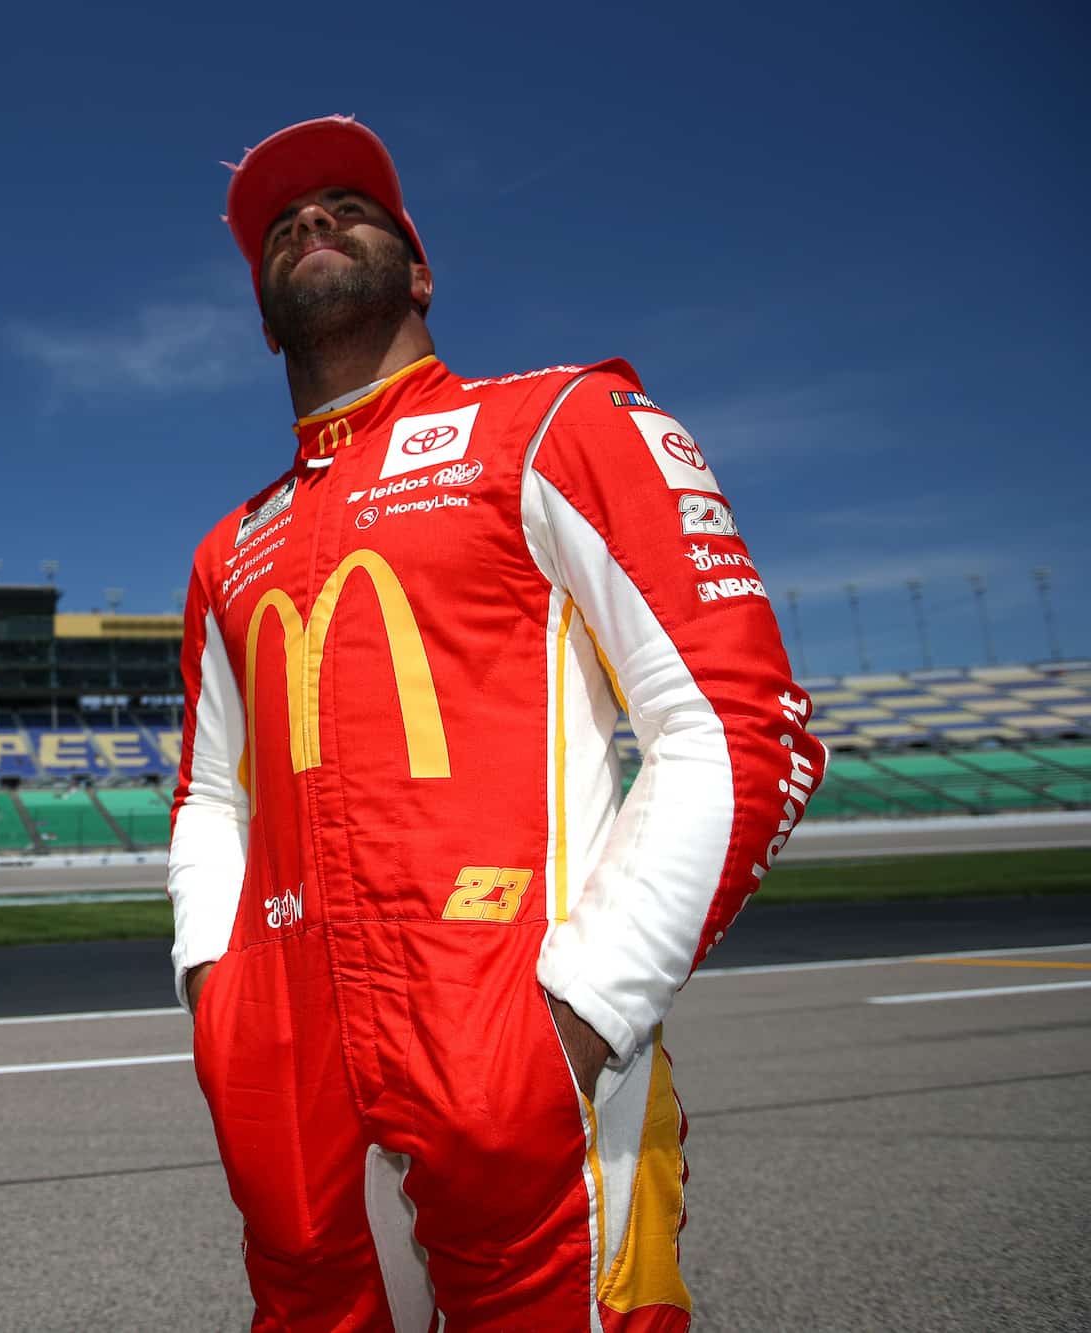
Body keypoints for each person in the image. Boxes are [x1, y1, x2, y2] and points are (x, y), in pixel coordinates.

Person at [168, 116, 826, 1332]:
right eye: (280, 224)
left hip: (509, 1053)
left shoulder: (555, 423)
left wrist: (579, 1017)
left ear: (419, 271)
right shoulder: (227, 548)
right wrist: (219, 1005)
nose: (311, 221)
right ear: (263, 318)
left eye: (348, 207)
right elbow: (213, 797)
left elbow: (742, 725)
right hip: (286, 1096)